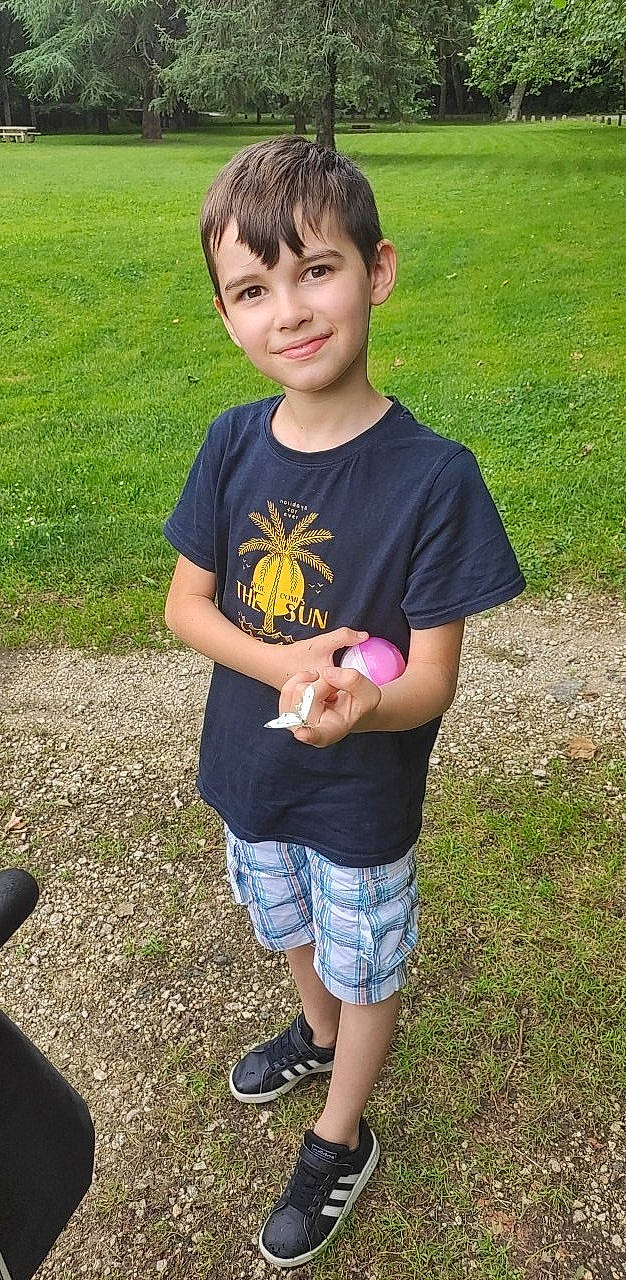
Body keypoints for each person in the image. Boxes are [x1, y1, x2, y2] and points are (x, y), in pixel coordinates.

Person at [163, 135, 525, 1269]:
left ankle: (339, 1130)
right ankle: (315, 1035)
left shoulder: (433, 477)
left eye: (314, 269)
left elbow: (425, 681)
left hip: (360, 795)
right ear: (226, 316)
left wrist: (356, 708)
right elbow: (185, 607)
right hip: (252, 769)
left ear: (377, 270)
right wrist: (285, 670)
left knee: (364, 956)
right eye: (252, 289)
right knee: (288, 923)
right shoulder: (229, 443)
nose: (288, 310)